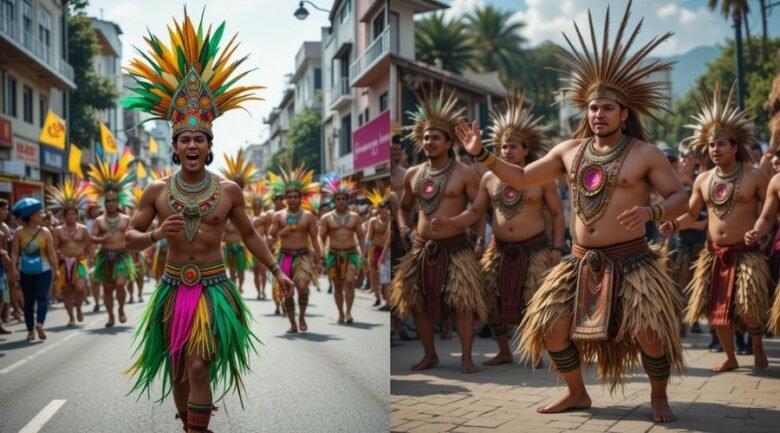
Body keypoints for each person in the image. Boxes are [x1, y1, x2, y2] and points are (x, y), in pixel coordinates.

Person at [459, 2, 687, 421]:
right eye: (593, 107)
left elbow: (681, 199)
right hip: (580, 262)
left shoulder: (645, 153)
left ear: (624, 113)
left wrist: (653, 215)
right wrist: (483, 156)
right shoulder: (568, 151)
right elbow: (523, 177)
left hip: (632, 260)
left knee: (650, 333)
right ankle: (577, 393)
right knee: (550, 327)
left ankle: (658, 395)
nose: (598, 114)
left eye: (607, 108)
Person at [120, 10, 295, 432]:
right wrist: (156, 235)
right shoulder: (156, 192)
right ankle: (188, 426)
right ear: (175, 148)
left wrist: (276, 271)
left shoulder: (230, 190)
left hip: (214, 289)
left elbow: (251, 234)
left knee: (199, 367)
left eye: (200, 138)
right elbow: (128, 237)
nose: (192, 144)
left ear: (209, 146)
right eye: (185, 139)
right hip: (173, 287)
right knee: (180, 367)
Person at [434, 93, 565, 366]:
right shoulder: (489, 178)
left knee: (535, 301)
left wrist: (556, 247)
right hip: (499, 249)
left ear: (526, 150)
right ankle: (505, 351)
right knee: (489, 301)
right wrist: (451, 222)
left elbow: (556, 213)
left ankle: (536, 352)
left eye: (513, 147)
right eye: (503, 147)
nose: (507, 151)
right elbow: (474, 212)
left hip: (536, 248)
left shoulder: (541, 177)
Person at [663, 82, 771, 374]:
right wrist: (673, 223)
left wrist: (761, 231)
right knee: (717, 314)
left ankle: (757, 345)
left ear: (735, 147)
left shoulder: (755, 176)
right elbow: (690, 214)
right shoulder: (702, 180)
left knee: (750, 308)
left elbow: (770, 211)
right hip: (714, 254)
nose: (715, 149)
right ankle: (730, 357)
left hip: (747, 252)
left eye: (721, 143)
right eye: (711, 145)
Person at [391, 85, 488, 374]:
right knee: (417, 302)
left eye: (435, 137)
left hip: (457, 248)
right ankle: (430, 355)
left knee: (463, 303)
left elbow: (478, 209)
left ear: (448, 143)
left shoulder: (464, 173)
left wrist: (480, 237)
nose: (429, 142)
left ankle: (467, 358)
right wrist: (404, 229)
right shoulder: (413, 174)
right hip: (420, 247)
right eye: (425, 137)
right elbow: (404, 207)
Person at [268, 163, 322, 333]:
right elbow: (270, 236)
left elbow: (315, 239)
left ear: (301, 198)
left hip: (303, 256)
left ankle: (302, 316)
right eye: (289, 196)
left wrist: (319, 260)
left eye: (295, 196)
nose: (292, 199)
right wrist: (282, 233)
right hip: (284, 256)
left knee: (303, 287)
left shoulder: (308, 217)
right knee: (287, 291)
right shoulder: (278, 216)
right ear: (286, 198)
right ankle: (292, 323)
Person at [87, 151, 137, 327]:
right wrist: (101, 241)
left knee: (121, 283)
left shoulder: (125, 219)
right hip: (104, 256)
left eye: (113, 201)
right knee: (107, 288)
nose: (110, 204)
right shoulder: (98, 220)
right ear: (104, 202)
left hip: (122, 256)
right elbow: (91, 238)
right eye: (107, 201)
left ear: (118, 201)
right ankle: (110, 316)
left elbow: (133, 234)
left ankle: (121, 309)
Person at [10, 198, 59, 341]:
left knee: (42, 297)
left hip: (44, 270)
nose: (42, 216)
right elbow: (14, 252)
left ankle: (39, 325)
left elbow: (51, 252)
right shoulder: (19, 232)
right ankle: (31, 329)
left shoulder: (46, 232)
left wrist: (55, 269)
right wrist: (13, 269)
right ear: (31, 215)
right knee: (29, 302)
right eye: (39, 213)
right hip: (25, 272)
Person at [48, 176, 93, 326]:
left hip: (80, 262)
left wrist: (90, 259)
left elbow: (89, 246)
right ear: (64, 215)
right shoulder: (58, 230)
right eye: (68, 214)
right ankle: (71, 317)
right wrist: (58, 258)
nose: (71, 216)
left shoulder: (83, 229)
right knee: (67, 291)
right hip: (64, 262)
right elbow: (53, 248)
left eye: (73, 213)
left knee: (80, 288)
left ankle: (79, 307)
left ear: (77, 215)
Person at [319, 176, 363, 324]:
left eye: (344, 199)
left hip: (351, 254)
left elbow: (361, 237)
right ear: (334, 200)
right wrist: (321, 255)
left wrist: (363, 254)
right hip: (333, 255)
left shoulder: (355, 217)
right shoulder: (326, 218)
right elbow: (321, 237)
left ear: (347, 200)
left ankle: (349, 312)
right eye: (338, 199)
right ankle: (341, 313)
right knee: (337, 285)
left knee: (350, 282)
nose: (341, 201)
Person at [220, 149, 260, 293]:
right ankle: (234, 286)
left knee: (241, 270)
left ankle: (240, 286)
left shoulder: (246, 206)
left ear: (243, 186)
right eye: (234, 183)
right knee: (231, 271)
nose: (236, 186)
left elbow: (250, 231)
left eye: (239, 184)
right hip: (230, 247)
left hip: (240, 246)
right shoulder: (223, 204)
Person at [366, 187, 392, 311]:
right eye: (380, 207)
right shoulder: (373, 220)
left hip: (387, 251)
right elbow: (368, 237)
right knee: (374, 275)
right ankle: (377, 297)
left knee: (385, 277)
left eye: (384, 207)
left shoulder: (390, 220)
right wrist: (365, 252)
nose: (382, 209)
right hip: (374, 250)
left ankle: (388, 299)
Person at [248, 181, 271, 300]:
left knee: (263, 271)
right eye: (254, 206)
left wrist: (268, 243)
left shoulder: (265, 217)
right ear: (252, 207)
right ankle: (258, 292)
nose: (256, 208)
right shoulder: (249, 218)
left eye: (258, 206)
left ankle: (263, 290)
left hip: (262, 246)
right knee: (256, 272)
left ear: (261, 207)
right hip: (252, 248)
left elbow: (267, 232)